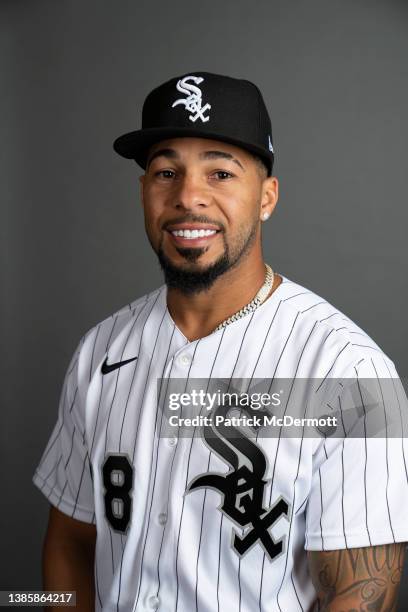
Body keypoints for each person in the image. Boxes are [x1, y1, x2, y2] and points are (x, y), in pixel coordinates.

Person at [33, 71, 408, 612]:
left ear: (267, 197)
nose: (188, 196)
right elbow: (71, 541)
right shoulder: (100, 352)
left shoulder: (350, 371)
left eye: (220, 172)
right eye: (166, 171)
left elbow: (360, 593)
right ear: (144, 192)